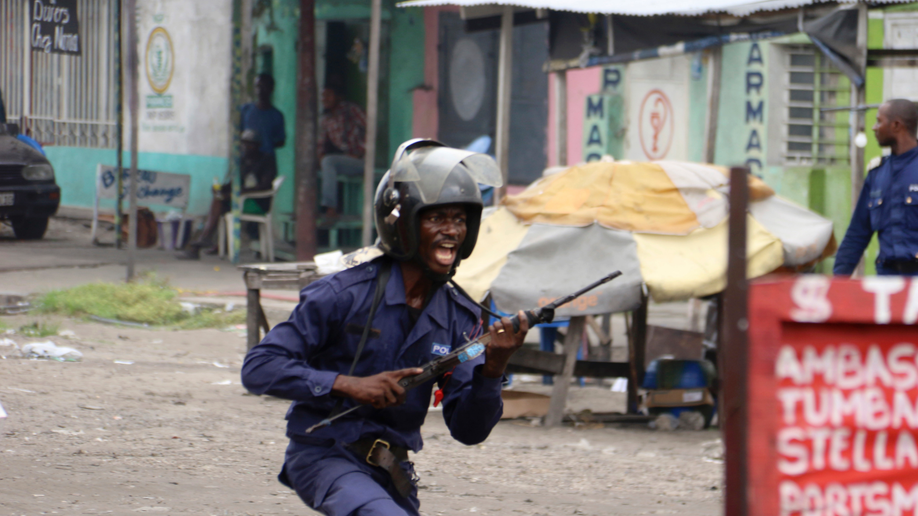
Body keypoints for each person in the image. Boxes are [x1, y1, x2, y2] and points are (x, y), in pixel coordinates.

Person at [241, 139, 523, 516]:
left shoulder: (462, 318)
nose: (452, 231)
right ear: (402, 223)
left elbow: (469, 431)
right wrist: (347, 384)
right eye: (436, 218)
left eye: (460, 220)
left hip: (392, 474)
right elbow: (258, 367)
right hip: (324, 456)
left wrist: (494, 367)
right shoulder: (343, 294)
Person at [834, 98, 918, 276]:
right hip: (887, 281)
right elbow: (857, 234)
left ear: (896, 125)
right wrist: (837, 283)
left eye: (879, 121)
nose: (874, 127)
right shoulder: (877, 174)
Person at [177, 129, 276, 259]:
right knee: (216, 203)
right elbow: (235, 183)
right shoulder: (243, 161)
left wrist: (238, 193)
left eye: (250, 144)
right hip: (241, 200)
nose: (246, 147)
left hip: (257, 203)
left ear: (258, 145)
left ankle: (204, 239)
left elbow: (265, 185)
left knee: (217, 204)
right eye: (244, 144)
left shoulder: (266, 160)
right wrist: (221, 189)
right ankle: (199, 244)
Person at [317, 78, 367, 219]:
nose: (324, 99)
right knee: (322, 163)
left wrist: (360, 153)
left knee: (328, 161)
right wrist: (319, 157)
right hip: (346, 160)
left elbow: (371, 129)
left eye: (328, 95)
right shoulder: (326, 119)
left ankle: (330, 208)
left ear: (338, 96)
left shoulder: (351, 110)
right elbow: (320, 143)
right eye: (323, 95)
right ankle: (316, 210)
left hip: (362, 161)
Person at [241, 73, 285, 157]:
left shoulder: (277, 116)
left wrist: (265, 143)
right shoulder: (245, 110)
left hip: (267, 160)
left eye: (264, 86)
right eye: (257, 86)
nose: (259, 90)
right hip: (248, 160)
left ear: (271, 89)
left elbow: (281, 141)